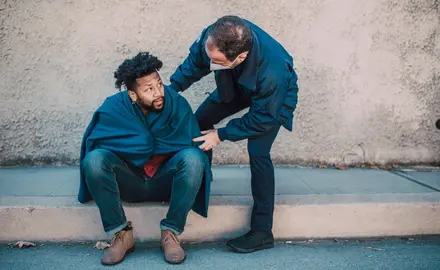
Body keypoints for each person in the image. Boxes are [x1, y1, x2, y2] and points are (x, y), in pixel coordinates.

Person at [169, 15, 299, 253]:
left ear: (240, 57)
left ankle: (262, 231)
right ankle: (195, 185)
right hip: (233, 82)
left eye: (215, 61)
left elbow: (263, 118)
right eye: (210, 56)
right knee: (198, 124)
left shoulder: (274, 73)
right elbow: (195, 63)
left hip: (271, 100)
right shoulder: (215, 36)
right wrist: (171, 89)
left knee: (258, 152)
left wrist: (221, 134)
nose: (210, 63)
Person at [78, 52, 212, 265]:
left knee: (194, 158)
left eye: (159, 84)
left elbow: (194, 143)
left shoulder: (176, 103)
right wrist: (138, 144)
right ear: (133, 95)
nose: (158, 92)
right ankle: (121, 233)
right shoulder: (114, 108)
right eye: (149, 89)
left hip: (165, 181)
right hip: (129, 180)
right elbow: (95, 143)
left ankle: (171, 231)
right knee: (94, 160)